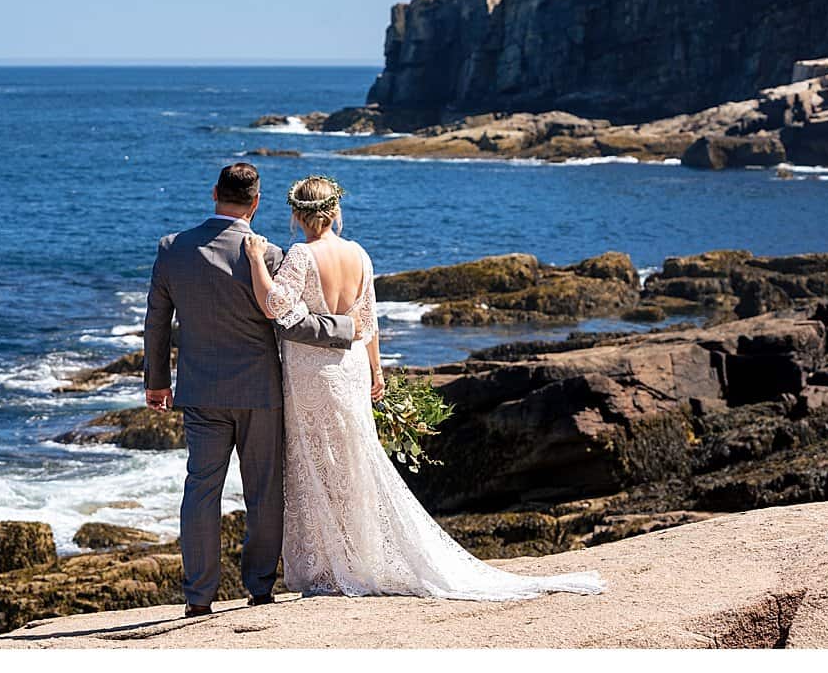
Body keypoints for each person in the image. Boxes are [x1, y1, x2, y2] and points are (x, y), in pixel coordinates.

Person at [243, 175, 606, 601]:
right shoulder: (359, 254)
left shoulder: (301, 255)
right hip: (353, 367)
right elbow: (368, 321)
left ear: (297, 215)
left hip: (314, 375)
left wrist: (253, 259)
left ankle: (331, 565)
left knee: (319, 462)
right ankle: (357, 556)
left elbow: (274, 306)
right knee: (354, 460)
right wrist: (377, 372)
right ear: (334, 211)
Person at [143, 163, 356, 618]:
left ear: (214, 193)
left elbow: (157, 323)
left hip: (200, 391)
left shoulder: (171, 249)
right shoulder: (271, 254)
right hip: (262, 391)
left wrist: (157, 382)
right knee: (263, 492)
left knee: (201, 490)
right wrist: (348, 328)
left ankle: (198, 598)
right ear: (256, 203)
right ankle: (259, 588)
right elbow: (292, 320)